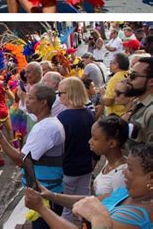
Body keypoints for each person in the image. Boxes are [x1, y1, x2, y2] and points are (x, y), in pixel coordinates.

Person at [0, 83, 65, 229]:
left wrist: (0, 138)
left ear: (43, 102)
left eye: (30, 97)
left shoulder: (45, 128)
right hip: (48, 190)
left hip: (46, 193)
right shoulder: (46, 123)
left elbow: (22, 160)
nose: (26, 100)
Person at [25, 143, 152, 229]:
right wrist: (52, 195)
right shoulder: (126, 192)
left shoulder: (137, 216)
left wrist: (41, 208)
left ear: (151, 178)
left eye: (130, 168)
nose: (124, 171)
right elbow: (93, 201)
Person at [36, 115, 128, 213]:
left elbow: (118, 211)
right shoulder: (109, 163)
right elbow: (92, 200)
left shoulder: (121, 175)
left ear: (112, 143)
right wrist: (52, 196)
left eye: (95, 138)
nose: (90, 142)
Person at [56, 77, 94, 222]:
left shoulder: (63, 117)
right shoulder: (88, 113)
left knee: (67, 208)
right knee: (84, 204)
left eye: (60, 93)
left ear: (69, 94)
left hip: (68, 168)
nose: (58, 96)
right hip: (85, 166)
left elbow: (60, 147)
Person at [125, 57, 153, 147]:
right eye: (129, 74)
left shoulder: (151, 112)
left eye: (133, 75)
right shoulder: (137, 102)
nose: (128, 79)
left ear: (151, 82)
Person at [102, 52, 129, 117]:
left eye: (111, 62)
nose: (110, 65)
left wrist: (102, 94)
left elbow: (108, 102)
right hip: (127, 113)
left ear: (116, 65)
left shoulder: (115, 79)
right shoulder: (129, 74)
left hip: (116, 116)